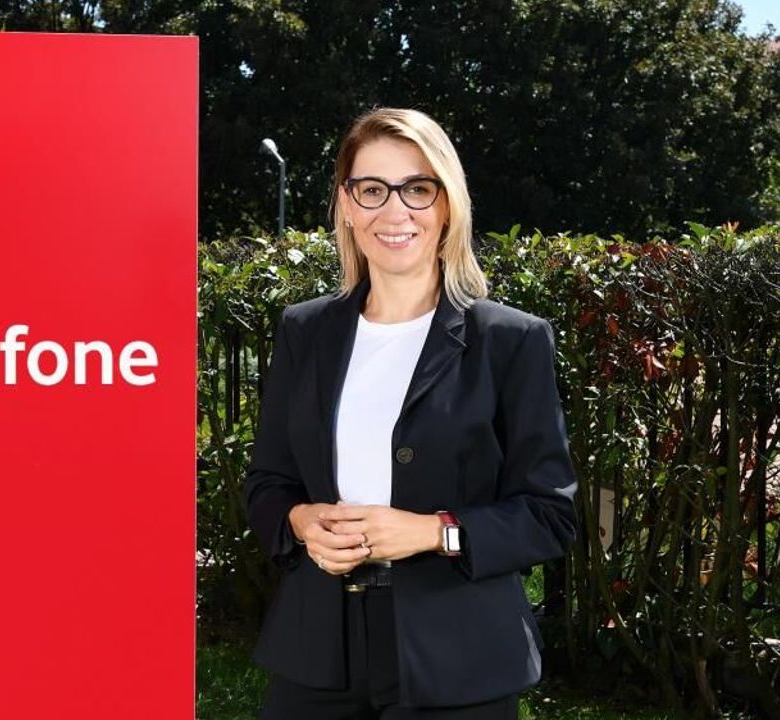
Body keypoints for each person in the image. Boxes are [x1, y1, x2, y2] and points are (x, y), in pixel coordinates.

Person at [243, 107, 578, 720]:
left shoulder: (511, 340)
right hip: (317, 653)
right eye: (371, 189)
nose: (394, 211)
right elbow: (268, 482)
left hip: (459, 660)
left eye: (417, 189)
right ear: (346, 205)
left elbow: (548, 514)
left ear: (447, 205)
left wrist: (434, 531)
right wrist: (301, 520)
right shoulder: (304, 331)